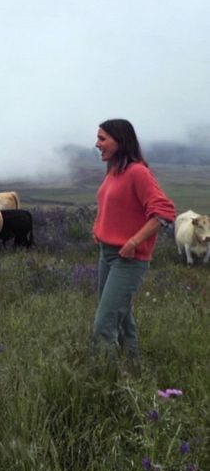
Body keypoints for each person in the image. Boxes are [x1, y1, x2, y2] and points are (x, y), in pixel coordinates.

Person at [91, 119, 175, 359]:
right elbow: (110, 204)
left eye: (102, 139)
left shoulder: (137, 172)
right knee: (123, 316)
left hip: (128, 258)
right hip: (107, 253)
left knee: (104, 324)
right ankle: (133, 367)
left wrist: (134, 242)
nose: (97, 144)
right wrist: (97, 227)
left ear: (120, 141)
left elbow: (164, 212)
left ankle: (106, 381)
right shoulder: (114, 171)